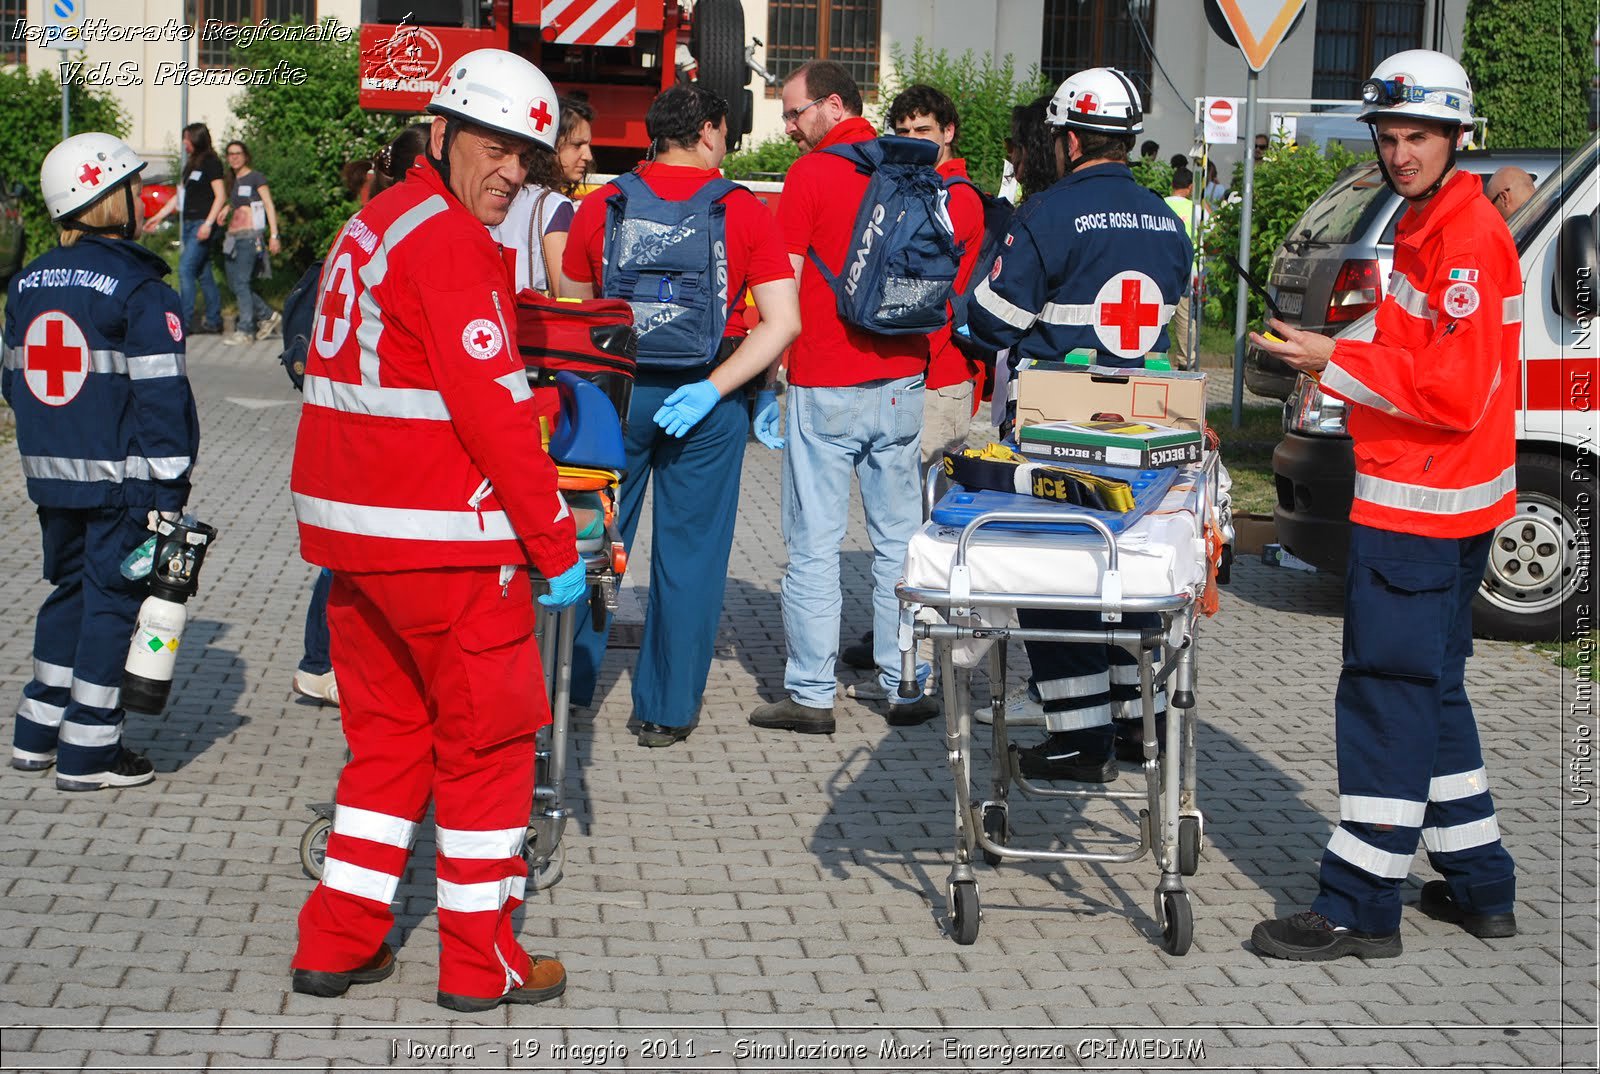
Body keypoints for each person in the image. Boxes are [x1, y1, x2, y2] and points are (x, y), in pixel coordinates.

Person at [288, 49, 588, 1011]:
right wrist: (554, 543)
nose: (512, 171)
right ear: (443, 132)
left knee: (386, 748)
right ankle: (480, 964)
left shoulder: (373, 221)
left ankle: (337, 944)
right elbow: (492, 413)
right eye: (496, 146)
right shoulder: (453, 244)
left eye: (529, 158)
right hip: (449, 551)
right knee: (490, 755)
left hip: (355, 552)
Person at [1248, 49, 1519, 961]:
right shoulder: (1432, 222)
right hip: (1445, 505)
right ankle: (1482, 886)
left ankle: (1360, 908)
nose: (1401, 154)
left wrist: (1336, 361)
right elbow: (1415, 337)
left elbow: (1451, 388)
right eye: (1390, 136)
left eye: (1420, 137)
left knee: (1383, 698)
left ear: (1455, 138)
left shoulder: (1462, 237)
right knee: (1432, 689)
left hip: (1420, 510)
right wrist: (1332, 342)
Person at [965, 67, 1192, 781]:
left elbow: (990, 320)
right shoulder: (1165, 217)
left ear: (1066, 140)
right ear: (1127, 141)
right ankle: (1136, 722)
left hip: (1058, 428)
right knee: (1123, 580)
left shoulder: (1049, 214)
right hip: (1143, 433)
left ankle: (1078, 739)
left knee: (1051, 578)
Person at [560, 84, 800, 746]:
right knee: (689, 560)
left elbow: (582, 316)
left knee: (601, 548)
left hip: (615, 404)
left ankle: (572, 680)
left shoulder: (601, 207)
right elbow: (783, 324)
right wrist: (717, 388)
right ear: (709, 132)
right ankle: (665, 709)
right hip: (705, 403)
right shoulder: (742, 212)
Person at [746, 59, 941, 735]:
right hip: (901, 381)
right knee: (898, 543)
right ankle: (902, 684)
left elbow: (785, 282)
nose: (790, 126)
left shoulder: (811, 175)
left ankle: (810, 694)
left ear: (833, 105)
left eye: (796, 112)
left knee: (814, 545)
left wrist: (770, 379)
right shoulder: (915, 169)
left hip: (825, 381)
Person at [4, 132, 200, 790]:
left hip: (49, 474)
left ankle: (36, 732)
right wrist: (170, 488)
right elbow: (161, 399)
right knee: (114, 601)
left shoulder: (28, 281)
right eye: (132, 189)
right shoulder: (138, 288)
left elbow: (12, 380)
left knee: (69, 592)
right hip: (121, 480)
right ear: (111, 200)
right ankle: (90, 749)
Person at [837, 84, 987, 685]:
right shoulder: (918, 189)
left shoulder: (955, 198)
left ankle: (923, 655)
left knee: (924, 523)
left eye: (923, 131)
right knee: (904, 518)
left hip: (940, 372)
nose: (913, 142)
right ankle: (897, 629)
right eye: (903, 131)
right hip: (912, 372)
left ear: (948, 132)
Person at [291, 124, 430, 708]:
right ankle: (324, 661)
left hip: (341, 416)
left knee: (350, 555)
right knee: (359, 560)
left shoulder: (363, 225)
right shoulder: (408, 232)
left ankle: (324, 661)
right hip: (372, 419)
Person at [144, 123, 225, 334]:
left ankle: (184, 321)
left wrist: (208, 223)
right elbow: (178, 197)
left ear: (197, 139)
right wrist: (157, 217)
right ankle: (214, 320)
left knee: (185, 269)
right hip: (189, 223)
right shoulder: (190, 164)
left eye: (187, 138)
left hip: (201, 223)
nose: (184, 143)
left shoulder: (211, 162)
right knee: (203, 273)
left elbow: (220, 196)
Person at [218, 141, 283, 345]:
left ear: (246, 155)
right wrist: (226, 209)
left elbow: (268, 205)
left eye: (237, 153)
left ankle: (245, 330)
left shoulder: (256, 178)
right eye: (230, 154)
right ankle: (268, 315)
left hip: (249, 237)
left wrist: (274, 235)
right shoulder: (231, 180)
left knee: (242, 282)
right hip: (232, 239)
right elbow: (235, 203)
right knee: (235, 283)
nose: (234, 157)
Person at [1164, 166, 1204, 370]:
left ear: (1172, 185)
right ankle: (1185, 362)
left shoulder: (1159, 204)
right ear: (1190, 187)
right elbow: (1212, 235)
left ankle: (1152, 357)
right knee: (1185, 319)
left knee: (1156, 316)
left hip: (1161, 268)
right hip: (1187, 271)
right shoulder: (1196, 210)